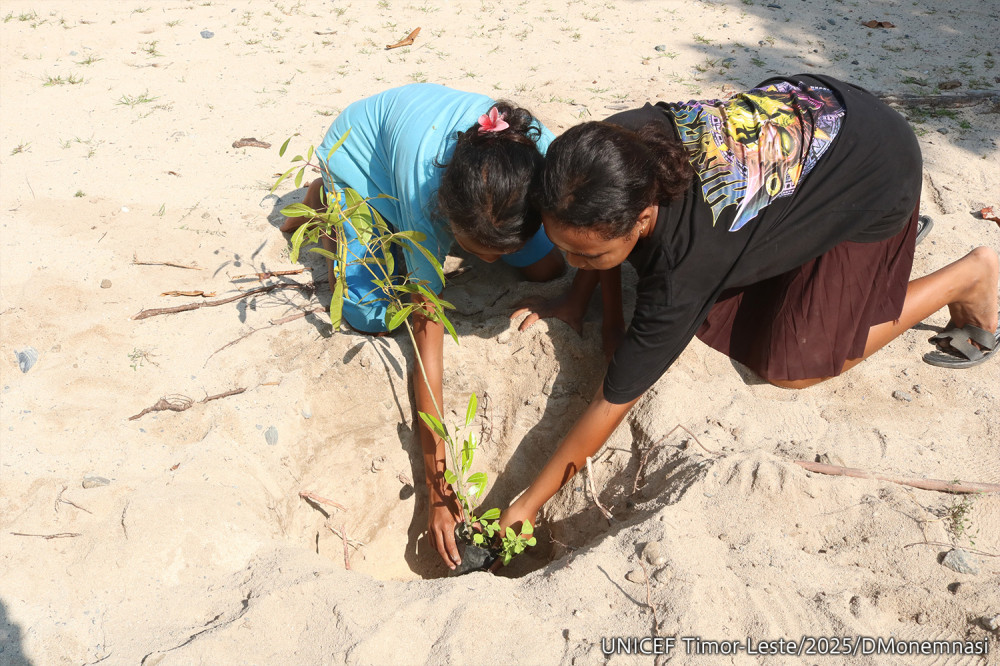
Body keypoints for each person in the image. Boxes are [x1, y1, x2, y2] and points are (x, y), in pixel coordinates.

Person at [501, 74, 999, 534]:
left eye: (586, 255)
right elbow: (592, 241)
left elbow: (611, 400)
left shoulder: (685, 262)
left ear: (644, 216)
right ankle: (871, 240)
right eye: (560, 245)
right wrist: (580, 302)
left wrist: (527, 506)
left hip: (876, 164)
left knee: (795, 363)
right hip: (818, 111)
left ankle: (967, 277)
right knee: (732, 301)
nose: (570, 261)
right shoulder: (606, 151)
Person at [279, 84, 566, 571]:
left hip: (449, 161)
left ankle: (351, 210)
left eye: (493, 251)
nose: (484, 262)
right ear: (445, 214)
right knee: (368, 315)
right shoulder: (421, 196)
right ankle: (329, 190)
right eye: (471, 246)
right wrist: (438, 490)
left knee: (549, 269)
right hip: (366, 152)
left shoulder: (540, 159)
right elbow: (425, 339)